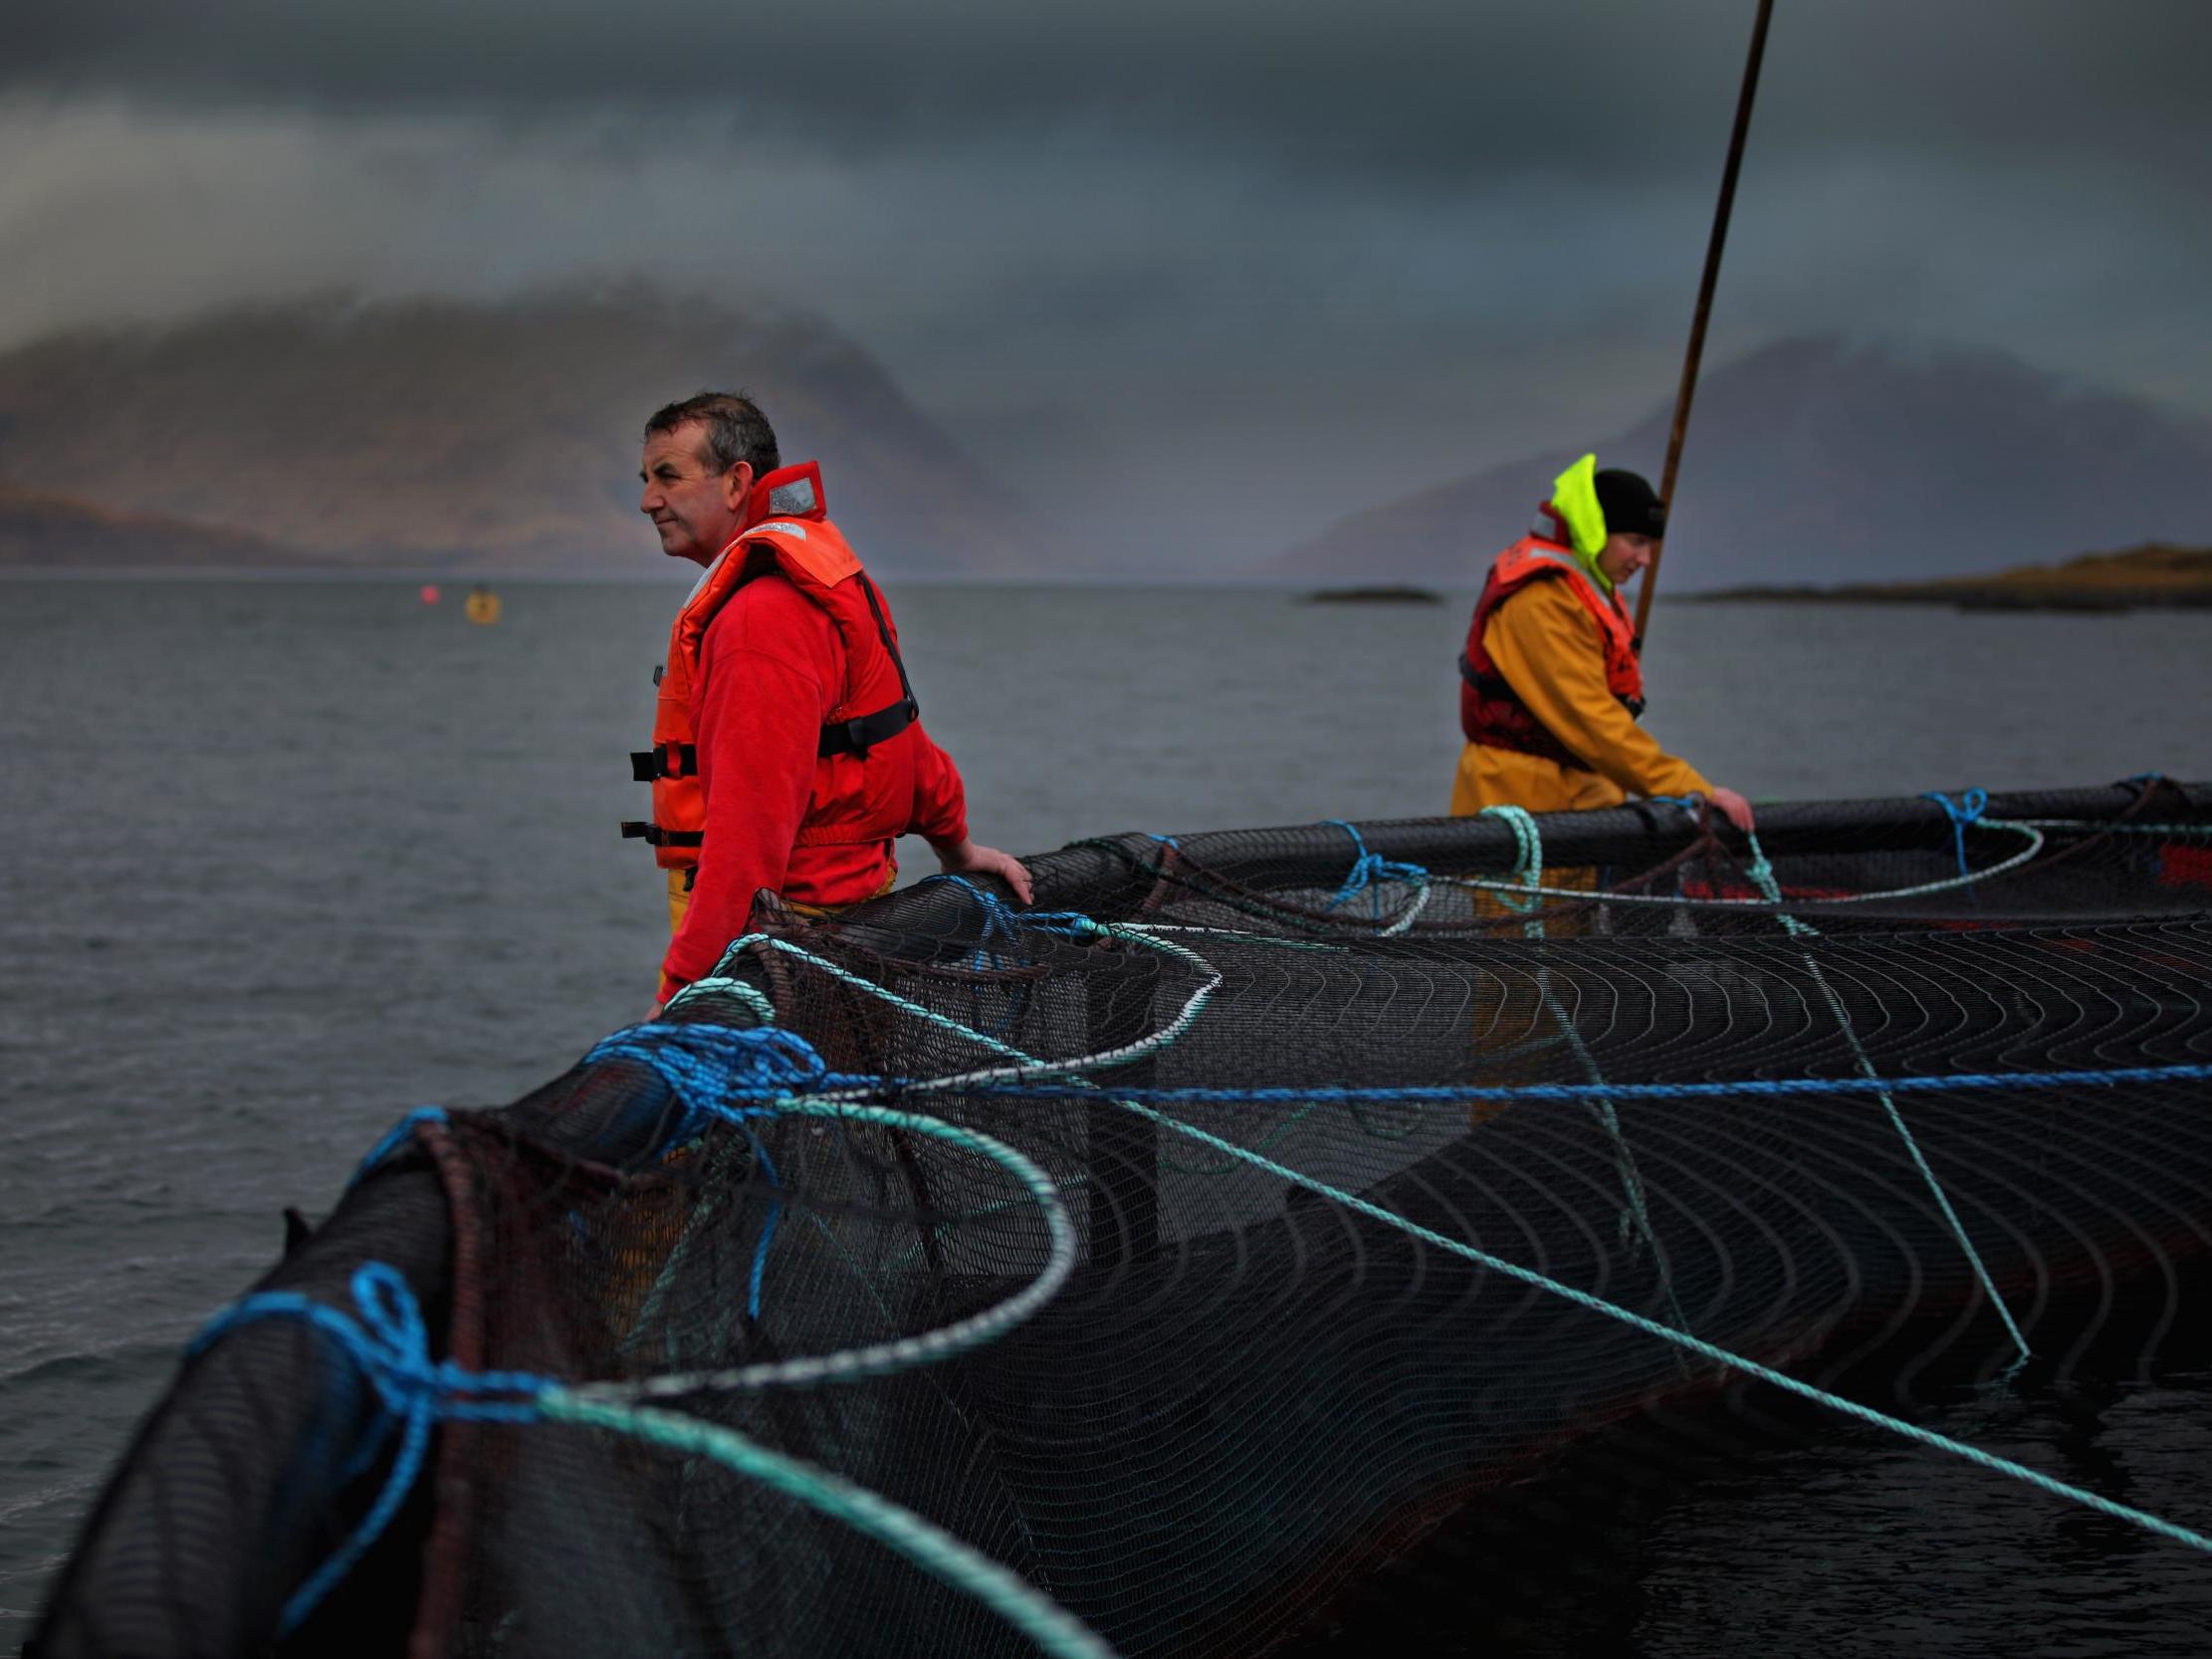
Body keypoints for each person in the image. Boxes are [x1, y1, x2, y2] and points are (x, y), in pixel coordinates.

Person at [625, 391, 1032, 1011]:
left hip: (780, 946)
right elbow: (898, 740)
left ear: (737, 483)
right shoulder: (829, 574)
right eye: (647, 479)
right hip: (856, 930)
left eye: (668, 476)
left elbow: (747, 836)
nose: (649, 499)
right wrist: (960, 849)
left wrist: (680, 991)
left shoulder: (755, 621)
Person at [1450, 454, 1754, 832]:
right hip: (1523, 808)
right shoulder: (1542, 600)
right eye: (1636, 541)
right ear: (1596, 530)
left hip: (1576, 801)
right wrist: (1690, 788)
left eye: (1651, 546)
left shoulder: (1582, 590)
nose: (1644, 559)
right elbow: (1591, 718)